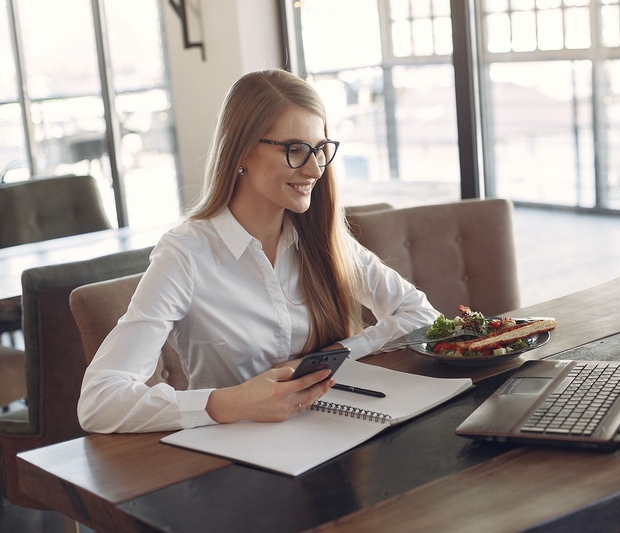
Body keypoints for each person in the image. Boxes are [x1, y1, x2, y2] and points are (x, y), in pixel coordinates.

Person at [77, 70, 439, 433]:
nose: (314, 169)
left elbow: (420, 315)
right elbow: (99, 401)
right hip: (235, 455)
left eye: (319, 149)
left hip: (329, 433)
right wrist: (232, 402)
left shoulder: (321, 237)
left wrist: (330, 357)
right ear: (242, 151)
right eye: (295, 150)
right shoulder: (184, 255)